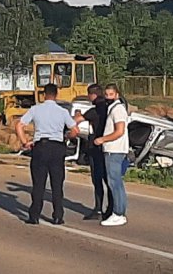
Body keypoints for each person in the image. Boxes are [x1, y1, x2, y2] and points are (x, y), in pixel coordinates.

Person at [16, 83, 79, 225]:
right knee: (57, 184)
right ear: (56, 95)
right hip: (57, 148)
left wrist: (25, 142)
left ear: (44, 94)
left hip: (41, 147)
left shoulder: (35, 109)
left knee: (39, 183)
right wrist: (67, 137)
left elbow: (19, 125)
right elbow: (75, 130)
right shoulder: (62, 112)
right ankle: (58, 216)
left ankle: (34, 215)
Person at [74, 84, 113, 220]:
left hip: (96, 148)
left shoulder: (94, 110)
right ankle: (111, 208)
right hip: (109, 148)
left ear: (93, 95)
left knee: (97, 180)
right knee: (109, 180)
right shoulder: (110, 108)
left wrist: (78, 114)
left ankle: (98, 208)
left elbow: (76, 121)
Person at [94, 83, 129, 227]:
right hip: (112, 149)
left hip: (114, 150)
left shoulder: (118, 109)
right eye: (106, 95)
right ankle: (118, 212)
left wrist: (103, 139)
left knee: (114, 182)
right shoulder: (113, 108)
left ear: (117, 95)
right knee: (115, 182)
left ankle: (118, 213)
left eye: (111, 95)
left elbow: (119, 131)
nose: (108, 97)